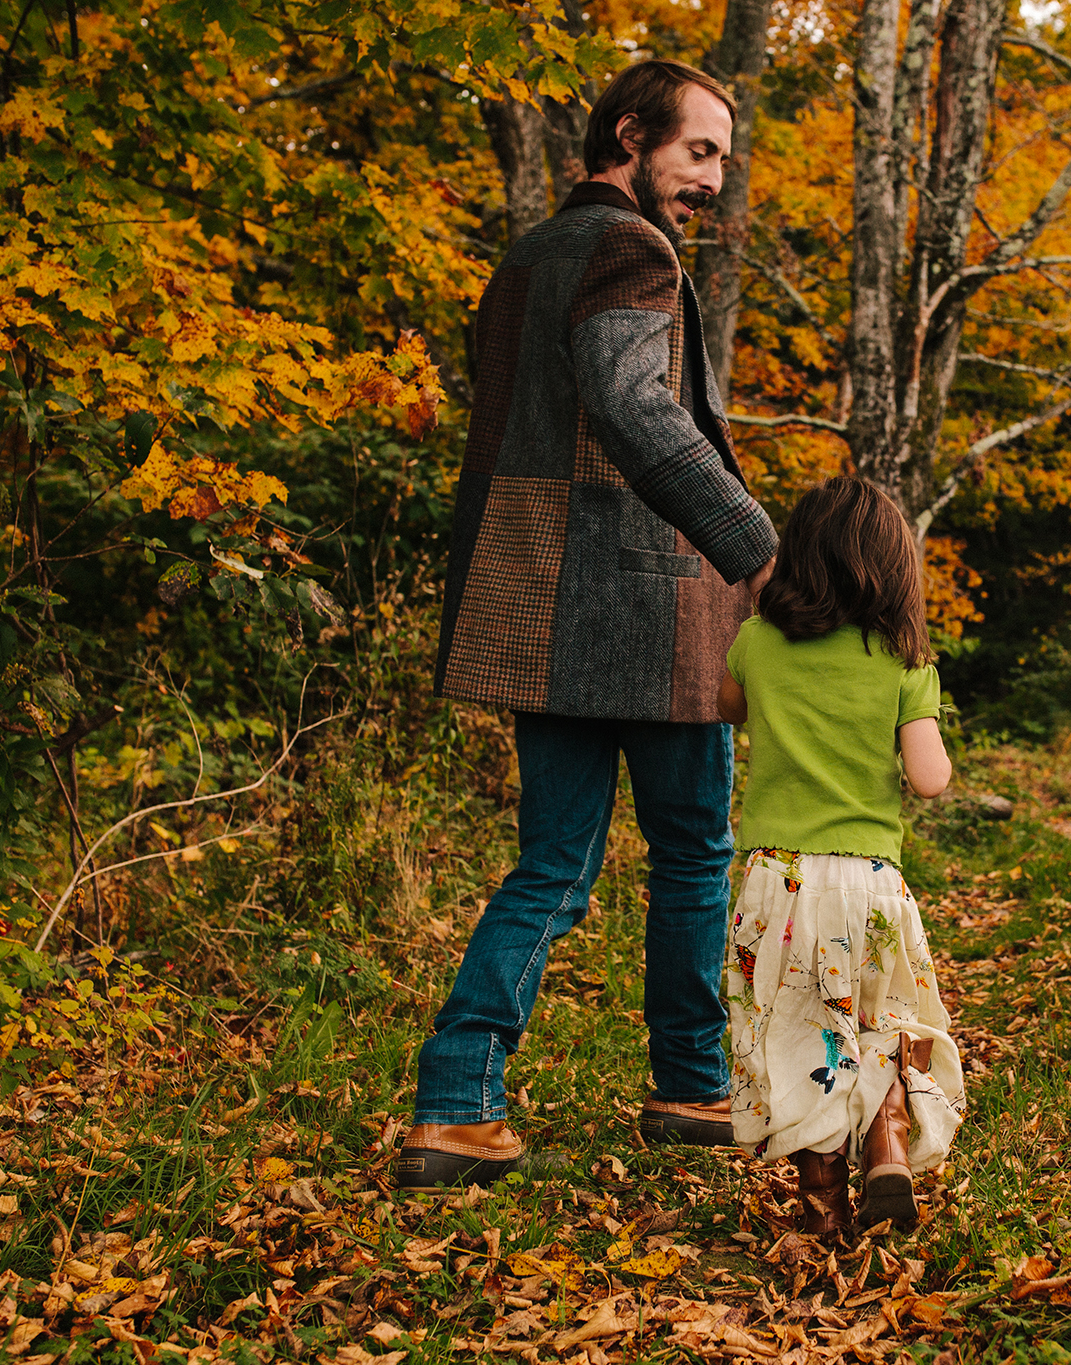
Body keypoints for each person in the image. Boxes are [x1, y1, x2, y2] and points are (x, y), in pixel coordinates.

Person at [397, 59, 780, 1192]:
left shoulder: (526, 256)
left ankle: (455, 1104)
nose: (713, 179)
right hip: (644, 605)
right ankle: (687, 1083)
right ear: (627, 134)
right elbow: (631, 406)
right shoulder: (631, 249)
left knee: (553, 865)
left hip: (538, 603)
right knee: (692, 854)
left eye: (720, 156)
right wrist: (759, 547)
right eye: (698, 152)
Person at [716, 477, 966, 1238]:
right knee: (886, 1013)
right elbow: (930, 777)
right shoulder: (900, 658)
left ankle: (821, 1200)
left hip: (777, 883)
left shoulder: (758, 642)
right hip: (870, 883)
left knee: (795, 1031)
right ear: (893, 570)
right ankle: (888, 1127)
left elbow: (728, 706)